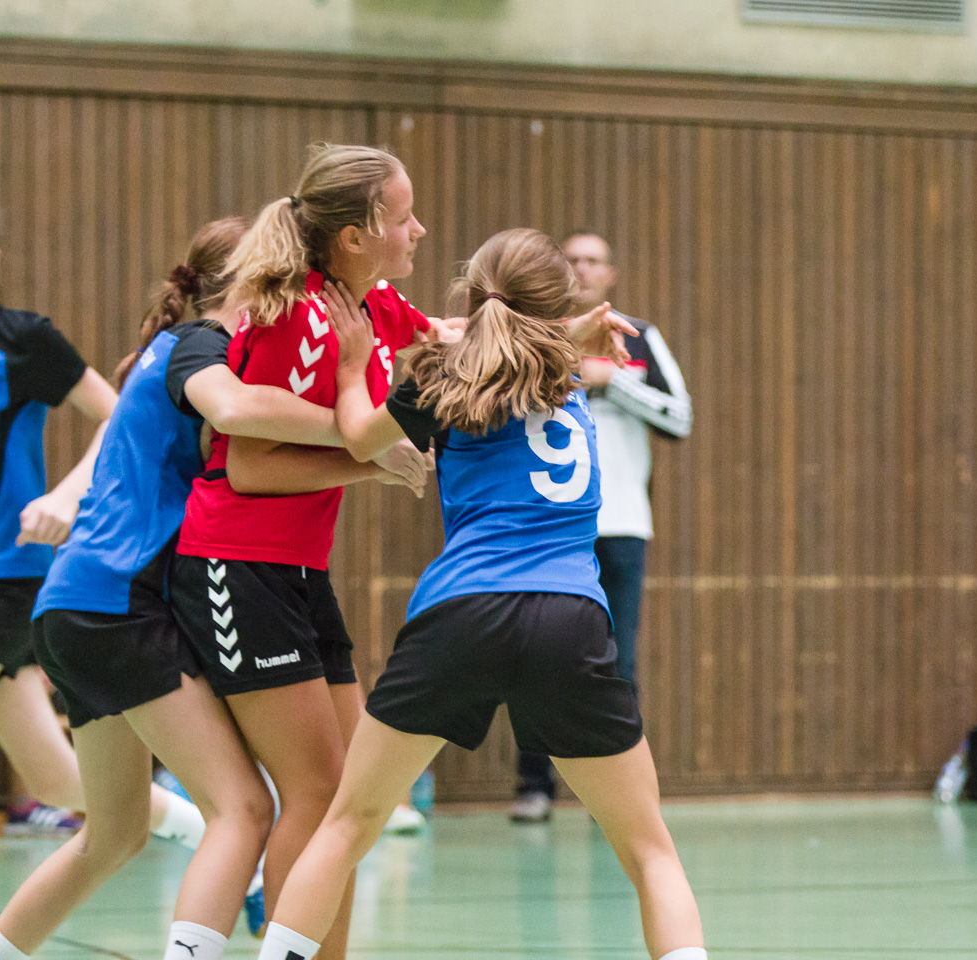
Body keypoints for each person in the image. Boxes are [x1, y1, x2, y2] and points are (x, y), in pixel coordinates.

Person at [252, 227, 707, 960]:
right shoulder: (569, 369)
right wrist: (578, 332)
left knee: (346, 826)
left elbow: (361, 437)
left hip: (459, 612)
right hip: (569, 618)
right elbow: (531, 339)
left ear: (472, 294)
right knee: (652, 854)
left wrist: (353, 367)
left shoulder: (442, 374)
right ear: (559, 306)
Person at [0, 216, 417, 960]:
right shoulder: (201, 349)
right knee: (244, 810)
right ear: (255, 280)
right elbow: (241, 416)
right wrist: (369, 436)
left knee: (113, 835)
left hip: (73, 603)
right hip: (118, 604)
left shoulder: (175, 351)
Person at [167, 144, 445, 960]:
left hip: (298, 573)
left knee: (352, 795)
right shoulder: (296, 315)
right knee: (317, 791)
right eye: (404, 218)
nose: (420, 230)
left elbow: (454, 339)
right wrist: (372, 462)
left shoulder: (371, 302)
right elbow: (249, 466)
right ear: (354, 236)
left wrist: (564, 339)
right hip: (235, 565)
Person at [0, 230, 203, 844]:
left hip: (8, 574)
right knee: (54, 778)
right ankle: (206, 828)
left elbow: (119, 417)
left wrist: (65, 496)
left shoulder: (22, 341)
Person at [512, 230, 692, 823]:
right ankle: (535, 787)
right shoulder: (530, 337)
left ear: (610, 275)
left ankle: (615, 795)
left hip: (620, 524)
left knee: (616, 662)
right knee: (538, 657)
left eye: (594, 261)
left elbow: (680, 417)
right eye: (572, 259)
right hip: (546, 525)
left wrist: (612, 379)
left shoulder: (636, 338)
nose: (583, 269)